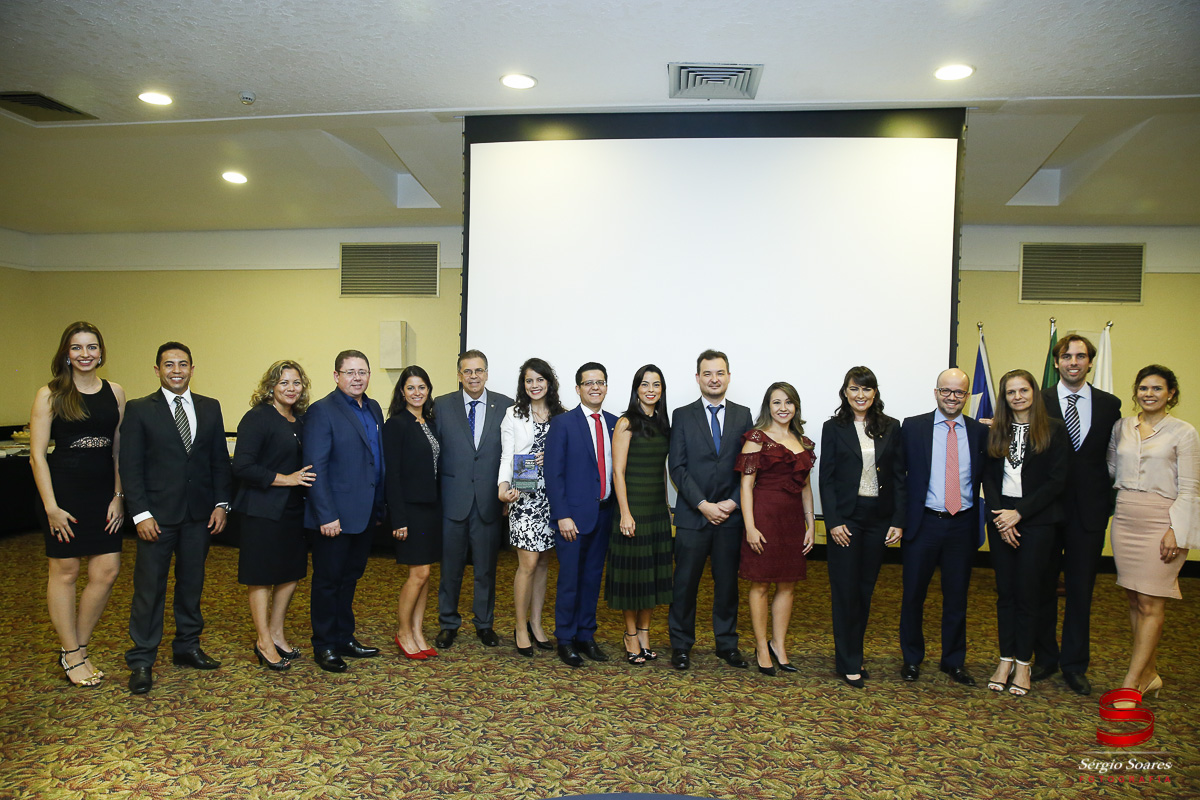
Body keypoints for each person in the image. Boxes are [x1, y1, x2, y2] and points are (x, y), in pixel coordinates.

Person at [121, 342, 233, 694]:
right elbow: (131, 466)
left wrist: (221, 504)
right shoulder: (139, 410)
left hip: (199, 516)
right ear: (157, 370)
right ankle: (141, 659)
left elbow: (218, 462)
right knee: (149, 589)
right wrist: (140, 513)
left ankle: (187, 646)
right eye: (168, 365)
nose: (176, 370)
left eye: (182, 364)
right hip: (156, 517)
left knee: (191, 584)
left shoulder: (210, 408)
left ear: (192, 368)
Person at [30, 321, 126, 687]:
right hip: (63, 492)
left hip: (104, 494)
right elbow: (38, 456)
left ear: (101, 352)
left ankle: (79, 647)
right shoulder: (50, 394)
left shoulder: (115, 392)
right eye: (76, 348)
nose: (85, 354)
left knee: (106, 572)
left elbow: (119, 451)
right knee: (66, 572)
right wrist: (51, 507)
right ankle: (71, 653)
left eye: (91, 347)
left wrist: (119, 497)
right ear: (66, 353)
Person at [1033, 334, 1122, 695]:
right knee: (1042, 588)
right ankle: (1045, 658)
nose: (1073, 361)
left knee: (1081, 591)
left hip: (1089, 512)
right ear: (1056, 362)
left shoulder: (1109, 404)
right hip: (1046, 512)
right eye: (1066, 356)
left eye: (1080, 356)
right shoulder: (1040, 400)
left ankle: (1074, 664)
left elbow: (1112, 459)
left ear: (1090, 362)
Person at [1107, 364, 1198, 701]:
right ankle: (1149, 673)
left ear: (1170, 393)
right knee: (1134, 598)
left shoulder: (1184, 432)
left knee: (1150, 601)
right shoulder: (1122, 427)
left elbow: (1190, 488)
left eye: (1157, 389)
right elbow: (1113, 468)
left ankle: (1132, 683)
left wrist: (1177, 529)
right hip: (1126, 516)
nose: (1149, 394)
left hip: (1163, 520)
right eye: (1143, 388)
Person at [981, 369, 1070, 697]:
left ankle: (1024, 664)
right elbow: (988, 478)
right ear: (1004, 397)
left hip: (1038, 522)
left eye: (1023, 390)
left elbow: (1057, 481)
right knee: (1006, 594)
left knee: (1030, 594)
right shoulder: (996, 431)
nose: (1017, 396)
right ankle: (1004, 660)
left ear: (1034, 392)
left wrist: (1019, 513)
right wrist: (1002, 518)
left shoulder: (1054, 431)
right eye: (1010, 392)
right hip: (1002, 519)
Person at [898, 367, 987, 686]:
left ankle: (954, 661)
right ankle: (911, 659)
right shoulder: (913, 427)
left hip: (961, 525)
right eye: (946, 391)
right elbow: (899, 477)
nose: (952, 397)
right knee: (913, 596)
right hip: (923, 524)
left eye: (959, 392)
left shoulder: (979, 432)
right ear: (936, 392)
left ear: (966, 396)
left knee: (957, 597)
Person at [818, 366, 905, 688]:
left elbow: (899, 478)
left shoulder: (890, 427)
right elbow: (825, 478)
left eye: (866, 389)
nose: (860, 395)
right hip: (847, 519)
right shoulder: (833, 428)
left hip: (878, 519)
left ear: (875, 393)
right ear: (845, 392)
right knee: (844, 591)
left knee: (865, 591)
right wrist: (834, 522)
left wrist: (898, 520)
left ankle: (854, 653)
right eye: (854, 389)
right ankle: (848, 660)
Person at [667, 350, 753, 671]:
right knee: (685, 584)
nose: (714, 379)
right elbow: (677, 467)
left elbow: (747, 466)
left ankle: (727, 643)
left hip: (730, 516)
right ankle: (681, 645)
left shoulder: (743, 415)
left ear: (728, 376)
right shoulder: (682, 415)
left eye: (719, 373)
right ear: (698, 378)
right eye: (707, 373)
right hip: (693, 515)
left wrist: (731, 502)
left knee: (727, 584)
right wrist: (703, 505)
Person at [303, 350, 385, 672]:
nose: (357, 378)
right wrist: (325, 515)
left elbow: (375, 459)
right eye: (349, 372)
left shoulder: (374, 408)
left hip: (364, 512)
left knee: (350, 577)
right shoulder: (322, 411)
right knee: (327, 581)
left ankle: (344, 637)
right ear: (336, 376)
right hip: (333, 516)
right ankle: (323, 645)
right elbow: (315, 467)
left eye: (362, 371)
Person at [232, 360, 314, 671]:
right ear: (270, 387)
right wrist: (287, 478)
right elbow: (242, 466)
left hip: (293, 509)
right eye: (284, 383)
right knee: (262, 575)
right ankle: (263, 639)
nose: (291, 388)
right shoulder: (257, 418)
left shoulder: (300, 420)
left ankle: (278, 632)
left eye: (296, 383)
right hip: (262, 509)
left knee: (290, 572)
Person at [432, 350, 514, 649]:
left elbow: (513, 450)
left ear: (487, 373)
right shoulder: (441, 405)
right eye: (468, 371)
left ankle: (484, 623)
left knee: (486, 569)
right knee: (450, 569)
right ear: (459, 374)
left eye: (479, 371)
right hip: (452, 501)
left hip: (489, 501)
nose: (474, 376)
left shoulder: (505, 405)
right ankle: (448, 623)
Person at [736, 382, 816, 676]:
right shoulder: (756, 438)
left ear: (796, 406)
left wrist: (811, 523)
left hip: (793, 520)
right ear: (767, 407)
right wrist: (750, 527)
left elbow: (805, 486)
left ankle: (778, 644)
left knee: (788, 584)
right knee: (760, 584)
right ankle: (760, 646)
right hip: (764, 517)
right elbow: (746, 486)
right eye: (776, 403)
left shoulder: (804, 442)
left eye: (788, 403)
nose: (783, 408)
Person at [544, 362, 618, 667]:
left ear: (606, 387)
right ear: (578, 389)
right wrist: (562, 515)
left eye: (600, 382)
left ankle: (586, 635)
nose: (595, 387)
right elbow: (553, 472)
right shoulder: (563, 423)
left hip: (604, 514)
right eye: (588, 383)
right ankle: (565, 638)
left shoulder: (615, 423)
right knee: (571, 580)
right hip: (571, 519)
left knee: (592, 579)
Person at [498, 358, 567, 656]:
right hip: (525, 494)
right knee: (526, 564)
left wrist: (550, 458)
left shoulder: (561, 415)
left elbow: (569, 456)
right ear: (523, 384)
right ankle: (520, 626)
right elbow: (507, 455)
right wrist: (502, 488)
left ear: (549, 382)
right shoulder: (513, 414)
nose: (534, 385)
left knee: (542, 563)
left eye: (540, 379)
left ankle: (537, 624)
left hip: (553, 497)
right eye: (529, 380)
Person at [607, 364, 673, 665]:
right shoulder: (625, 422)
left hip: (657, 511)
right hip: (632, 510)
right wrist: (624, 513)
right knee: (633, 579)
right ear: (636, 389)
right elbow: (617, 473)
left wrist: (668, 510)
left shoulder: (663, 423)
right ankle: (630, 634)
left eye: (656, 385)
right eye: (645, 384)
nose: (651, 390)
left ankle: (645, 632)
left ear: (661, 390)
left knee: (653, 578)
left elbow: (662, 471)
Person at [384, 365, 443, 661]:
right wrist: (399, 518)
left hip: (432, 509)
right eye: (411, 388)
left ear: (428, 390)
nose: (417, 393)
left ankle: (418, 631)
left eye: (422, 387)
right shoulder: (396, 425)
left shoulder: (429, 422)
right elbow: (391, 475)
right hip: (410, 510)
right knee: (417, 574)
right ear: (402, 392)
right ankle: (403, 632)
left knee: (427, 573)